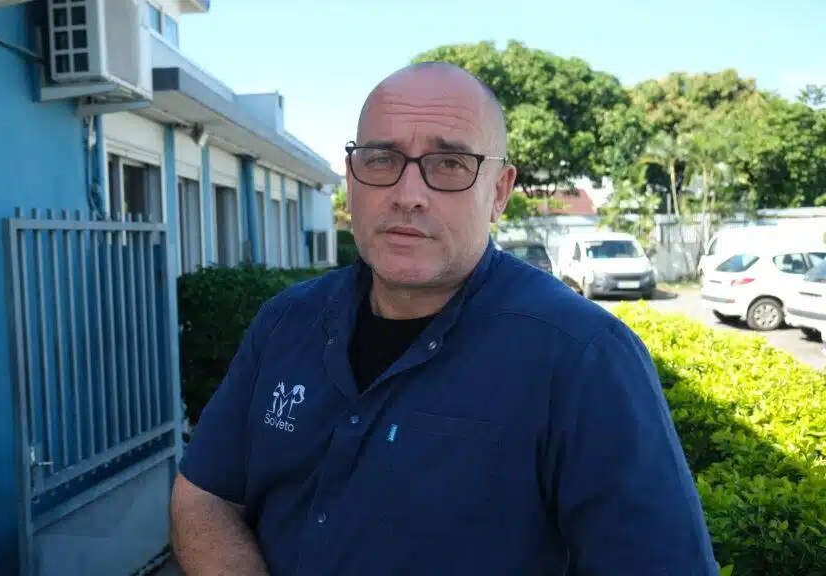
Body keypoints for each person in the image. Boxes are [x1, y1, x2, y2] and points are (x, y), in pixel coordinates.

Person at [170, 62, 719, 575]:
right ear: (353, 177)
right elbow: (205, 494)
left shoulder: (583, 357)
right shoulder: (285, 323)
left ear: (499, 192)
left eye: (449, 164)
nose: (409, 195)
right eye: (382, 159)